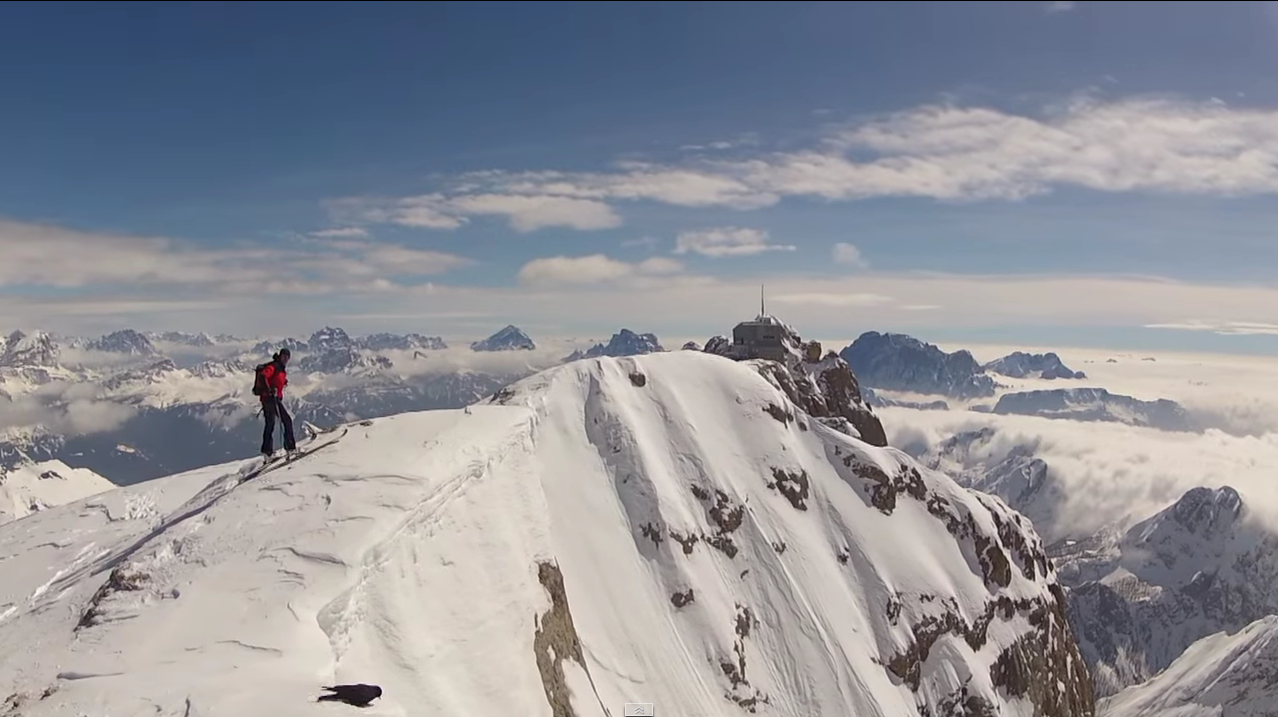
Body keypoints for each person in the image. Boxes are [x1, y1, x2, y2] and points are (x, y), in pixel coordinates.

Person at [258, 348, 297, 458]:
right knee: (287, 420)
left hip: (267, 399)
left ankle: (267, 452)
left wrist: (283, 382)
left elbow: (273, 379)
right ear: (280, 356)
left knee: (270, 424)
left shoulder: (279, 367)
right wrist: (269, 390)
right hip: (271, 399)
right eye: (284, 356)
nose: (286, 359)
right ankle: (290, 448)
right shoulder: (274, 366)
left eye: (287, 357)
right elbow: (263, 376)